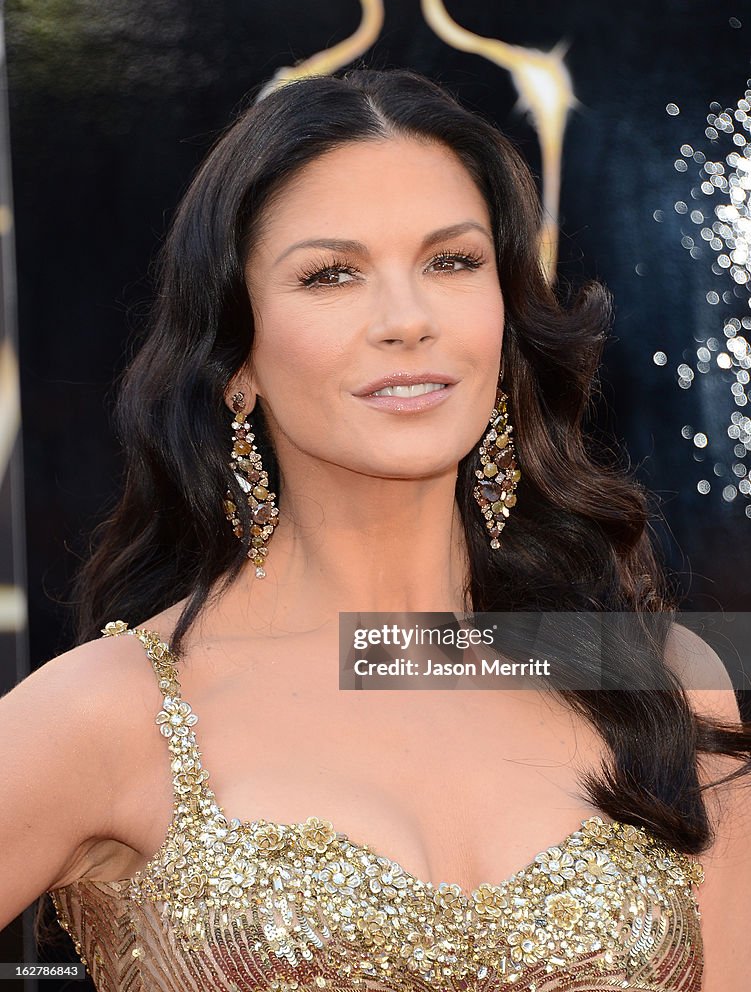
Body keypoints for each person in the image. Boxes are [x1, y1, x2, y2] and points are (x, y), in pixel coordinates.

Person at [2, 66, 750, 991]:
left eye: (452, 262)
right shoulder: (106, 717)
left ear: (507, 321)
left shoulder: (664, 681)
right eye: (331, 275)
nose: (407, 319)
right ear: (237, 360)